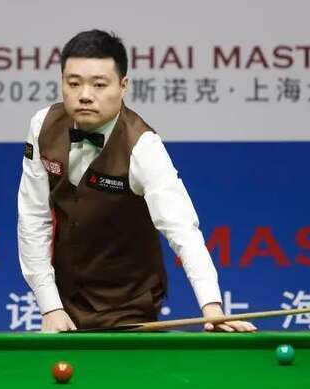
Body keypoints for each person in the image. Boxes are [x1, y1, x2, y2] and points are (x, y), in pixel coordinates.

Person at [17, 29, 255, 333]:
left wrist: (211, 306)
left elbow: (181, 227)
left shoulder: (143, 146)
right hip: (63, 296)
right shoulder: (43, 126)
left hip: (127, 302)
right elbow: (33, 216)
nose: (85, 95)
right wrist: (50, 305)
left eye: (99, 84)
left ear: (123, 86)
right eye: (73, 83)